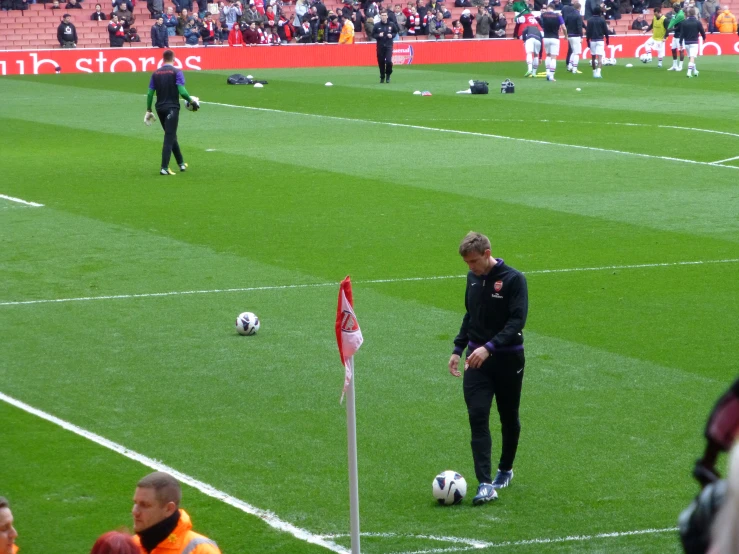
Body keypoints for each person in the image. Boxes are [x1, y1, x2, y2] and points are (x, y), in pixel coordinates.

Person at [448, 232, 528, 506]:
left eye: (473, 261)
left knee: (508, 416)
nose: (470, 267)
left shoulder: (514, 280)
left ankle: (505, 469)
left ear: (487, 253)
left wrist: (489, 347)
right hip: (476, 361)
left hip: (507, 360)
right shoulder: (472, 278)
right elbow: (471, 315)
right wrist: (458, 349)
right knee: (478, 416)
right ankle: (484, 483)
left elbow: (517, 321)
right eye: (466, 262)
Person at [131, 472, 220, 553]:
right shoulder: (131, 546)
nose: (135, 512)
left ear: (169, 509)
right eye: (135, 503)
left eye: (145, 505)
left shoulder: (201, 550)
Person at [145, 50, 199, 176]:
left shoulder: (155, 73)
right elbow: (183, 92)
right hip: (172, 108)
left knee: (171, 134)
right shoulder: (177, 72)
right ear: (174, 59)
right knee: (169, 136)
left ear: (163, 59)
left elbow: (149, 93)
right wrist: (192, 101)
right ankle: (164, 167)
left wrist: (148, 109)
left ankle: (181, 163)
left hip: (159, 108)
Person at [512, 1, 542, 77]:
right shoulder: (534, 19)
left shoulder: (523, 17)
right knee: (536, 55)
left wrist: (523, 39)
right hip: (538, 36)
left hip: (529, 36)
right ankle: (534, 73)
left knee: (529, 53)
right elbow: (542, 32)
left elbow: (516, 21)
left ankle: (529, 69)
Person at [540, 3, 565, 81]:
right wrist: (566, 35)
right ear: (554, 8)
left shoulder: (543, 15)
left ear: (548, 8)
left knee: (548, 55)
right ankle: (551, 76)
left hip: (546, 38)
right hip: (554, 38)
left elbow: (540, 22)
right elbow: (563, 27)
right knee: (553, 57)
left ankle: (547, 73)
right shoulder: (558, 16)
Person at [372, 10, 398, 83]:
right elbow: (373, 34)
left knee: (389, 61)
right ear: (380, 16)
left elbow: (395, 32)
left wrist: (392, 35)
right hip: (380, 46)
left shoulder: (391, 24)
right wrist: (378, 36)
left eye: (385, 15)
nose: (383, 17)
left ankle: (388, 75)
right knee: (381, 62)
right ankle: (382, 76)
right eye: (382, 15)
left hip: (389, 46)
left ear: (387, 16)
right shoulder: (377, 25)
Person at [680, 6, 704, 77]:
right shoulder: (697, 22)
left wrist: (680, 43)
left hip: (686, 43)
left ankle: (695, 71)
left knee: (691, 57)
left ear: (688, 14)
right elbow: (702, 31)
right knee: (692, 57)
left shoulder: (684, 22)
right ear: (695, 14)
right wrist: (704, 37)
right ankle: (689, 72)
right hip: (694, 42)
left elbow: (682, 34)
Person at [586, 5, 609, 78]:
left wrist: (587, 41)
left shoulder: (589, 20)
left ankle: (594, 72)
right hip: (600, 40)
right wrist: (607, 39)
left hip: (592, 40)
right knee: (600, 57)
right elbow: (605, 30)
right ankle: (598, 73)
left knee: (593, 57)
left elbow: (588, 31)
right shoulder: (602, 20)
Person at [564, 1, 583, 73]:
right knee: (577, 53)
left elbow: (565, 24)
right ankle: (574, 68)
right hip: (576, 35)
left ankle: (569, 66)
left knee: (573, 51)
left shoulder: (569, 15)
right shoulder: (578, 16)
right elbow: (579, 27)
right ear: (579, 8)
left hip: (570, 35)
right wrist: (581, 36)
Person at [667, 2, 685, 71]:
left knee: (681, 50)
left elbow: (678, 26)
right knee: (673, 49)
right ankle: (674, 65)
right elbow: (673, 21)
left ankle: (680, 66)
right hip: (676, 35)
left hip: (680, 35)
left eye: (676, 8)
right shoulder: (676, 14)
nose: (675, 9)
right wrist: (670, 28)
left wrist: (670, 29)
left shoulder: (680, 15)